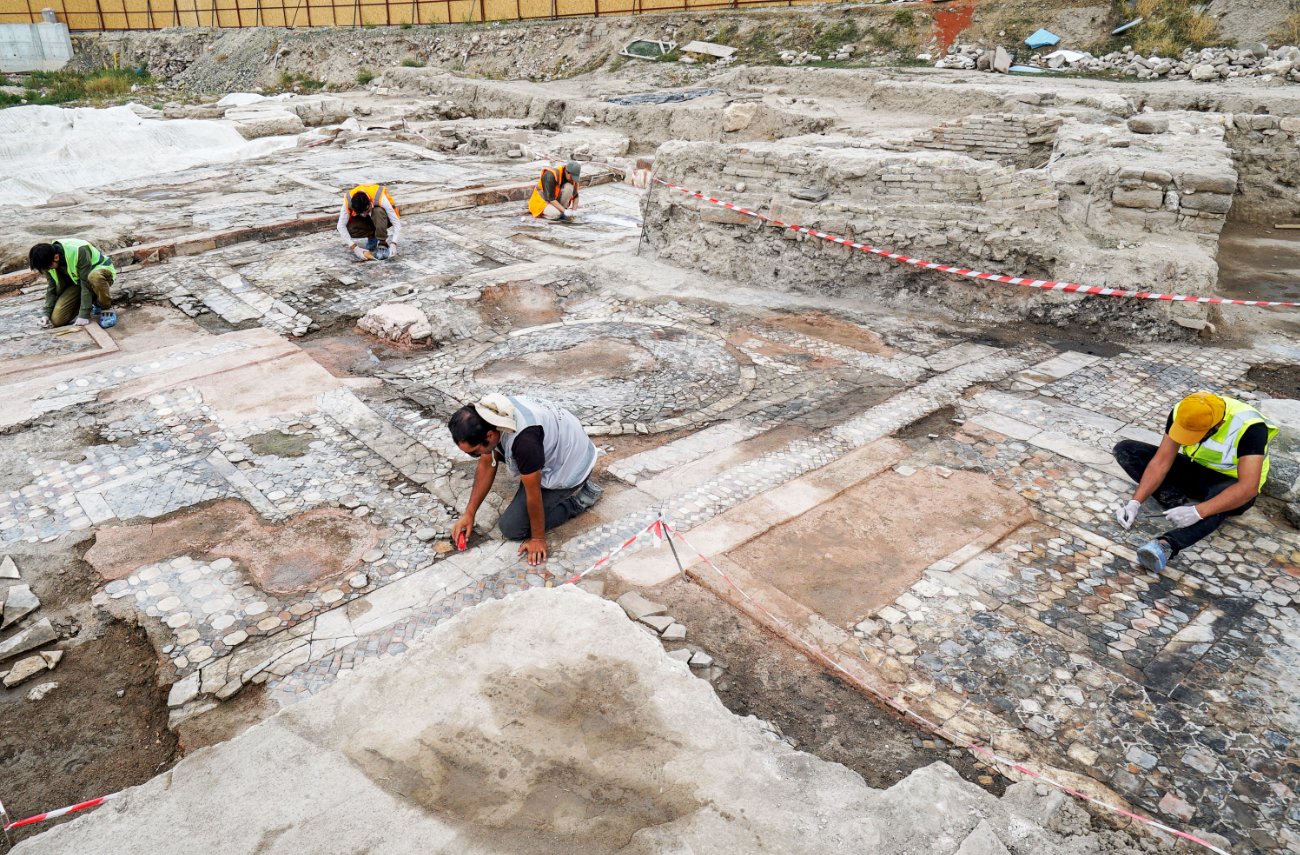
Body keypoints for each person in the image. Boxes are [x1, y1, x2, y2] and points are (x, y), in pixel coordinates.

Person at [1113, 391, 1277, 572]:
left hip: (1232, 482)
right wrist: (1135, 503)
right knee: (1127, 450)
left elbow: (1248, 488)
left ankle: (1165, 545)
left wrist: (1199, 511)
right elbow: (1161, 462)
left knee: (1221, 503)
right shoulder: (1184, 412)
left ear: (1219, 425)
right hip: (1195, 469)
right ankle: (1179, 503)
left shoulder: (1250, 427)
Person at [448, 394, 603, 566]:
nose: (473, 456)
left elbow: (533, 492)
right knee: (510, 462)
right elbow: (486, 465)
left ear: (490, 436)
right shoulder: (488, 415)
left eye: (473, 452)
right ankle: (532, 470)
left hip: (571, 465)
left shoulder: (524, 441)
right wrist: (469, 514)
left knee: (512, 528)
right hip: (551, 447)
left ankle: (580, 501)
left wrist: (537, 538)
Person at [30, 240, 114, 329]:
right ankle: (94, 300)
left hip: (100, 275)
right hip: (78, 283)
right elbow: (52, 288)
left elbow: (85, 283)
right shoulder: (47, 263)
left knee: (94, 277)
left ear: (56, 257)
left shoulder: (79, 250)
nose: (47, 270)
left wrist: (84, 315)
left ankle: (105, 306)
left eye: (48, 267)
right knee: (57, 320)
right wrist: (46, 314)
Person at [337, 184, 401, 261]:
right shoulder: (348, 201)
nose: (366, 213)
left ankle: (382, 243)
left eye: (367, 210)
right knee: (348, 227)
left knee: (378, 211)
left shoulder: (380, 198)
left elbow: (396, 222)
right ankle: (372, 237)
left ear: (369, 202)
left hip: (383, 219)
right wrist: (354, 247)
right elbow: (340, 226)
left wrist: (394, 243)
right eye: (363, 212)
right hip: (369, 222)